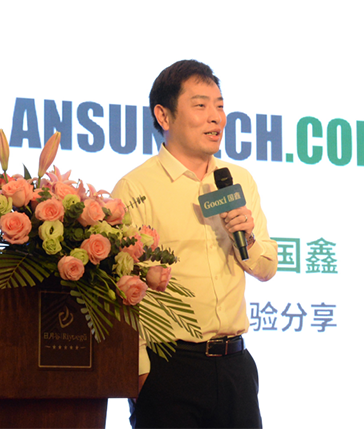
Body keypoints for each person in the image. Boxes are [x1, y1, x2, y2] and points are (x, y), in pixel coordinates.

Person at [111, 59, 278, 429]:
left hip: (235, 367)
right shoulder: (136, 188)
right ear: (164, 116)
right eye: (201, 106)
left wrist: (246, 236)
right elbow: (122, 289)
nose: (216, 117)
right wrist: (139, 373)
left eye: (220, 106)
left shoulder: (238, 179)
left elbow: (267, 267)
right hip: (168, 369)